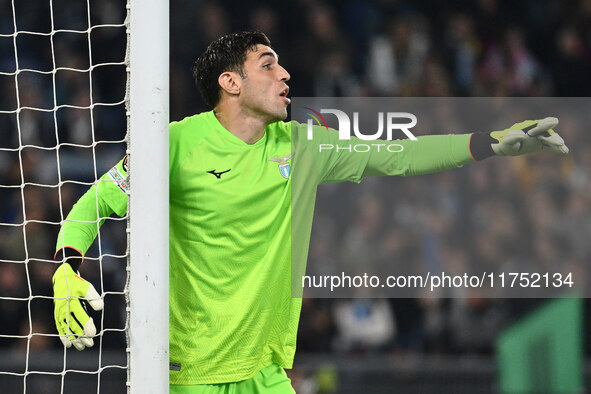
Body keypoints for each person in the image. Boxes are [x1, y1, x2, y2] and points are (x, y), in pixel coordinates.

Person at [51, 31, 568, 393]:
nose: (286, 74)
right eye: (268, 64)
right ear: (230, 83)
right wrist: (66, 267)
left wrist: (490, 142)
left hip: (268, 372)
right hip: (189, 374)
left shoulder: (303, 147)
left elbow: (399, 155)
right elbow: (98, 201)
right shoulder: (177, 143)